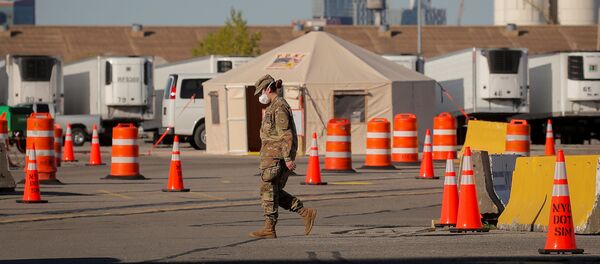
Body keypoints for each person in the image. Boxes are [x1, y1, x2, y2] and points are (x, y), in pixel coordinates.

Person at [249, 74, 317, 239]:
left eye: (261, 92)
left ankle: (269, 228)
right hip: (272, 156)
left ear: (269, 89)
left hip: (276, 157)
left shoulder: (279, 107)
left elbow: (286, 135)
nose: (260, 96)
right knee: (273, 191)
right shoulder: (274, 106)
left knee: (268, 190)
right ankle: (304, 212)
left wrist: (287, 159)